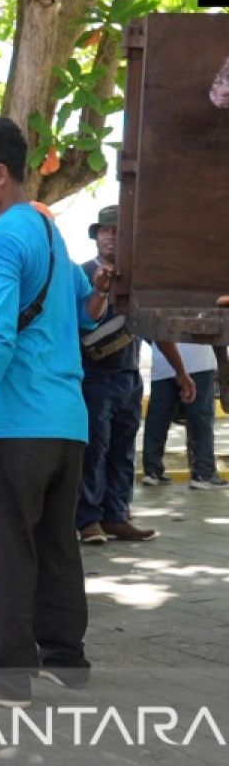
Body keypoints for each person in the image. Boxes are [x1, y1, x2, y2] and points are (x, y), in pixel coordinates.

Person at [0, 117, 102, 707]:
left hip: (11, 422)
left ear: (0, 175)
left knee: (1, 549)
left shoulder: (2, 238)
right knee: (55, 544)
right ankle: (64, 659)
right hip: (64, 422)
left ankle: (8, 676)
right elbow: (87, 312)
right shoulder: (48, 232)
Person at [73, 206, 161, 544]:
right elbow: (81, 322)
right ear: (96, 236)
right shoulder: (81, 273)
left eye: (118, 231)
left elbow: (153, 328)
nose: (111, 236)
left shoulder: (137, 279)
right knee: (94, 450)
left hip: (128, 373)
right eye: (106, 230)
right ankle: (88, 519)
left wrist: (180, 371)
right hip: (93, 375)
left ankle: (116, 514)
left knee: (123, 450)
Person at [143, 343, 222, 488]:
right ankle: (204, 473)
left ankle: (152, 471)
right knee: (201, 419)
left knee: (157, 419)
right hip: (199, 361)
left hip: (163, 362)